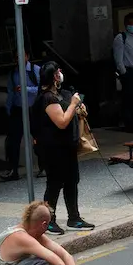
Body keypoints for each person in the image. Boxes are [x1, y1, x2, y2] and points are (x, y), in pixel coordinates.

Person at [33, 63, 94, 232]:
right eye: (58, 71)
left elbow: (72, 110)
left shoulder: (61, 94)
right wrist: (74, 104)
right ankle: (48, 220)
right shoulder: (47, 98)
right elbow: (61, 122)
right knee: (54, 183)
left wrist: (79, 106)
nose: (61, 73)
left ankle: (73, 217)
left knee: (72, 181)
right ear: (54, 76)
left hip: (67, 146)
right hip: (53, 149)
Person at [2, 50, 45, 180]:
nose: (19, 59)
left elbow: (42, 88)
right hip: (17, 109)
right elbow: (11, 92)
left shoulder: (35, 70)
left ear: (27, 56)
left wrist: (26, 89)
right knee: (12, 141)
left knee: (40, 138)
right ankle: (12, 170)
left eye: (22, 56)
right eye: (16, 57)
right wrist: (8, 108)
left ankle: (44, 167)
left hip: (33, 109)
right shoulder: (13, 74)